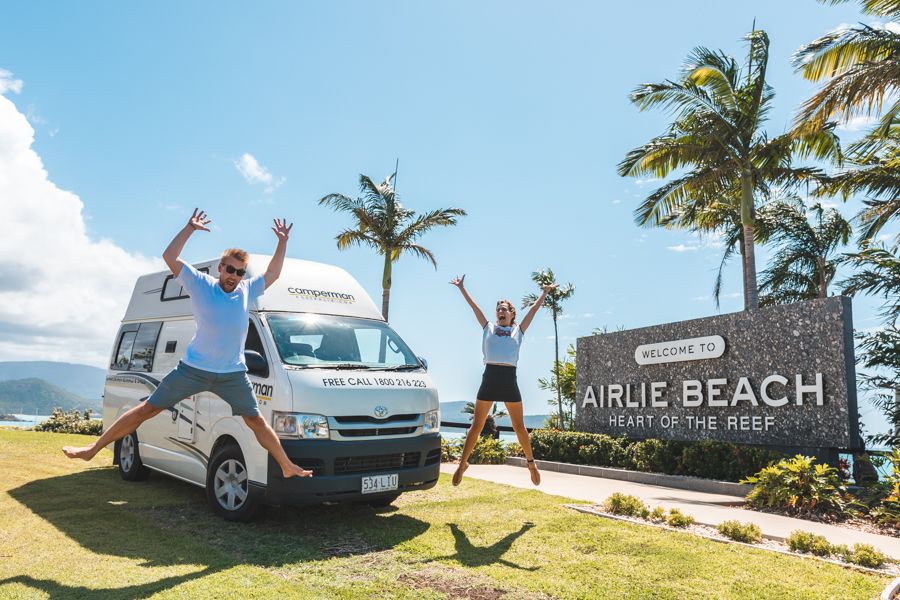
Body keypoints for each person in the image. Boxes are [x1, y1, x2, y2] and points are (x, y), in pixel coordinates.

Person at [63, 208, 312, 479]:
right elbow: (170, 256)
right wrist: (189, 229)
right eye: (229, 269)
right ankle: (93, 448)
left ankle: (286, 466)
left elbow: (273, 273)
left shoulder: (246, 289)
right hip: (193, 369)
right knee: (148, 409)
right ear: (220, 267)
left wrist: (282, 243)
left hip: (232, 374)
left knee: (256, 421)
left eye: (239, 272)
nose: (234, 276)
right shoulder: (200, 283)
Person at [450, 274, 556, 486]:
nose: (500, 311)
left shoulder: (519, 330)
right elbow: (474, 307)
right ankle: (462, 464)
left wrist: (544, 293)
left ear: (511, 313)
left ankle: (531, 464)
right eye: (498, 308)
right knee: (476, 426)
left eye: (504, 309)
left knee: (519, 427)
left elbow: (533, 310)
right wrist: (462, 288)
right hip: (490, 377)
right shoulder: (488, 328)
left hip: (509, 379)